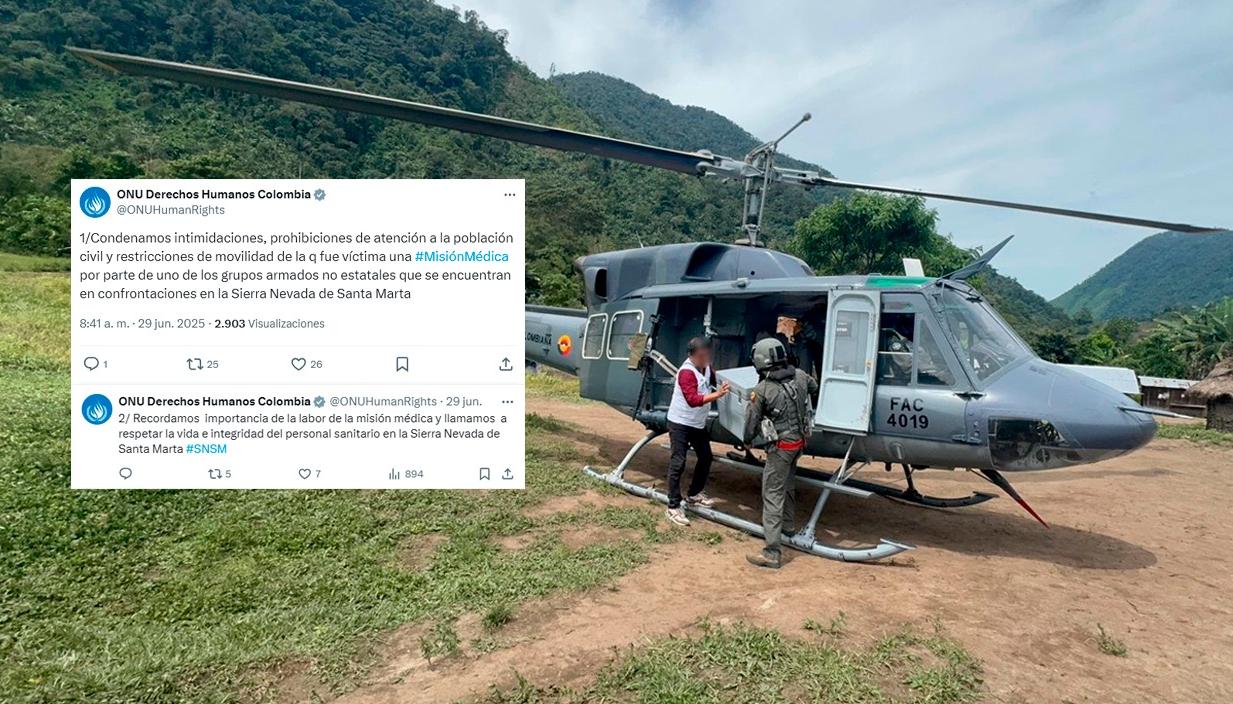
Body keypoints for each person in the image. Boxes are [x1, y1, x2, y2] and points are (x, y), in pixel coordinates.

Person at [743, 337, 817, 568]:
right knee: (788, 484)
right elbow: (814, 388)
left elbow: (750, 423)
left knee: (772, 492)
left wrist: (747, 441)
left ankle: (772, 551)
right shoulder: (801, 376)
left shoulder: (762, 390)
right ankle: (787, 526)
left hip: (781, 448)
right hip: (799, 444)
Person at [664, 336, 730, 526]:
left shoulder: (706, 367)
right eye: (702, 356)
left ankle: (693, 494)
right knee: (678, 462)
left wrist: (724, 385)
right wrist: (717, 395)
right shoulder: (686, 373)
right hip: (680, 423)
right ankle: (673, 506)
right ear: (692, 356)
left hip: (697, 424)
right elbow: (692, 400)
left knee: (706, 457)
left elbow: (715, 379)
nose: (705, 359)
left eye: (707, 354)